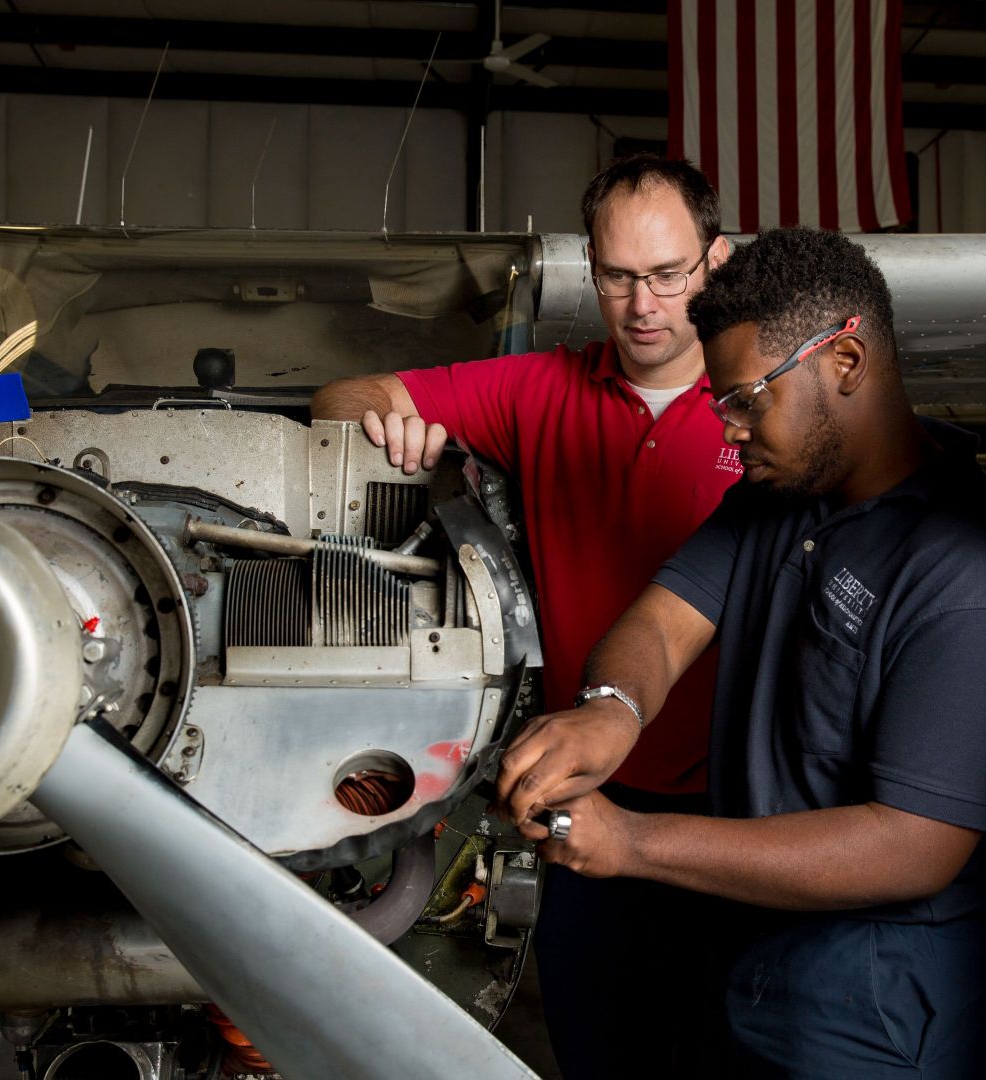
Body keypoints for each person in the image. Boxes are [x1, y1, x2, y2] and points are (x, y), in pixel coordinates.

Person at [494, 226, 986, 1078]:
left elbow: (912, 845)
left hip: (879, 1023)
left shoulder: (979, 569)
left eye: (746, 399)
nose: (729, 431)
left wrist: (637, 845)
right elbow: (661, 622)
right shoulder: (783, 497)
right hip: (749, 969)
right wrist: (609, 714)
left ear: (843, 361)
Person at [310, 155, 737, 1079]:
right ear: (591, 270)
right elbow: (343, 397)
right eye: (619, 277)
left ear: (715, 262)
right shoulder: (538, 388)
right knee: (599, 1051)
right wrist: (387, 425)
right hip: (585, 803)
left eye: (668, 275)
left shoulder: (762, 409)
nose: (644, 304)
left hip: (744, 805)